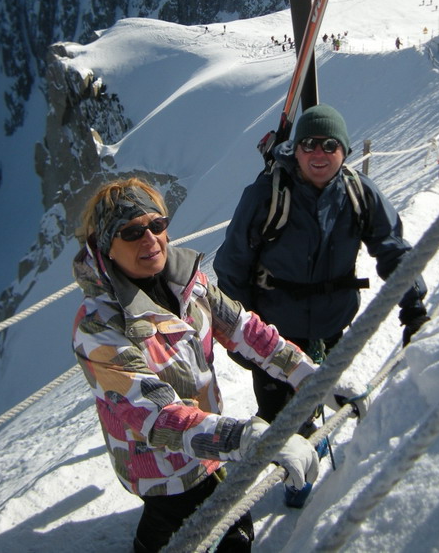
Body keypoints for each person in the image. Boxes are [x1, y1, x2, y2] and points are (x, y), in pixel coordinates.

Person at [72, 177, 324, 553]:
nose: (151, 238)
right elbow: (156, 416)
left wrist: (310, 375)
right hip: (157, 461)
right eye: (132, 231)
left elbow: (243, 329)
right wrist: (249, 438)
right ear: (107, 246)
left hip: (203, 444)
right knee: (219, 528)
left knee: (187, 520)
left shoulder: (187, 281)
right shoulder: (98, 328)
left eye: (157, 224)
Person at [213, 104, 429, 443]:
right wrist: (241, 334)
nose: (319, 153)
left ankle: (307, 450)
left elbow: (392, 248)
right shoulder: (266, 195)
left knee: (318, 397)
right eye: (309, 143)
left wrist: (413, 306)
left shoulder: (359, 194)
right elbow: (231, 266)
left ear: (344, 151)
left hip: (331, 328)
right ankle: (295, 477)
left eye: (330, 145)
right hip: (274, 336)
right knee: (278, 418)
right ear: (294, 150)